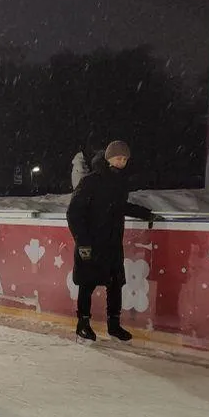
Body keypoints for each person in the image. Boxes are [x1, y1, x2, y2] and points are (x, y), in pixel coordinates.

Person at [66, 140, 164, 343]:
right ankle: (83, 325)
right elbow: (74, 213)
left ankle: (114, 325)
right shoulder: (90, 182)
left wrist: (146, 214)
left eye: (125, 159)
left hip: (112, 242)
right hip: (91, 242)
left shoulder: (119, 183)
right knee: (87, 284)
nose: (122, 162)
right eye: (119, 158)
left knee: (115, 283)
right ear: (109, 158)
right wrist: (83, 241)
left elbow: (120, 207)